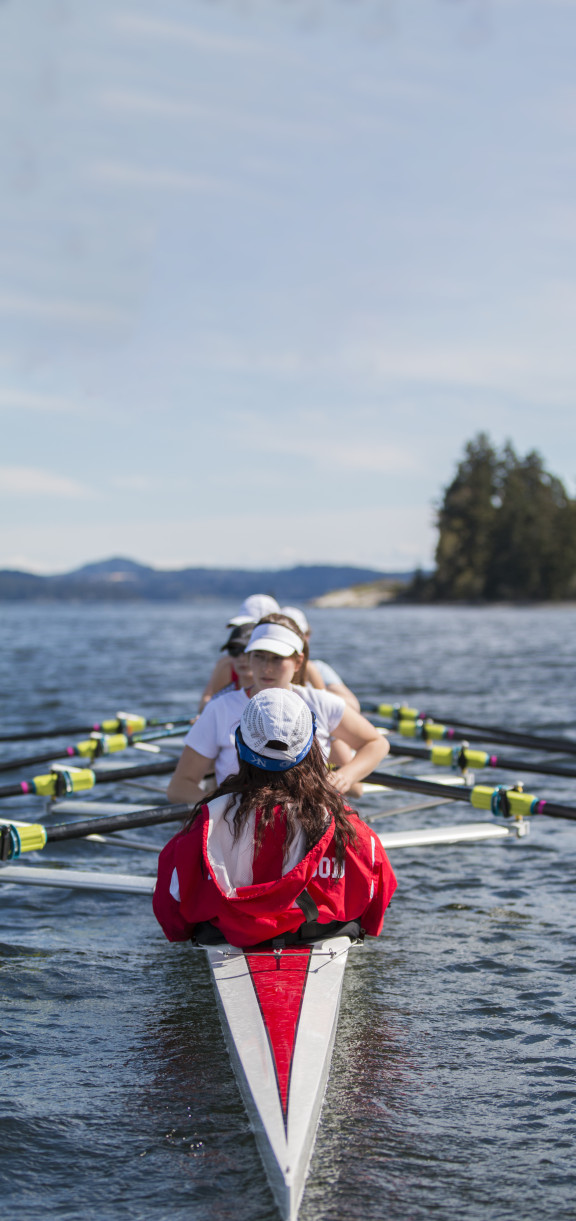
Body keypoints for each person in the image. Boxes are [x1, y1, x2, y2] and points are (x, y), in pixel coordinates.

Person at [153, 687, 397, 947]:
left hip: (230, 939)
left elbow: (171, 914)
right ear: (312, 747)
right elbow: (377, 903)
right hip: (320, 937)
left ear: (239, 743)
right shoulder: (345, 824)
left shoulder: (207, 822)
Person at [167, 616, 389, 806]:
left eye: (277, 658)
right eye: (259, 656)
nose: (266, 668)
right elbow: (179, 787)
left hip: (307, 819)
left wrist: (345, 776)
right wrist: (224, 805)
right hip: (241, 826)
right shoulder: (219, 709)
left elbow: (376, 743)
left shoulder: (321, 702)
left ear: (298, 661)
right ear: (248, 657)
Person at [281, 605, 361, 711]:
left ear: (307, 637)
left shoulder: (318, 668)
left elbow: (353, 707)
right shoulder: (259, 670)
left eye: (298, 635)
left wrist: (315, 682)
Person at [198, 623, 254, 711]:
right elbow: (204, 708)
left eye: (247, 651)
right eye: (234, 651)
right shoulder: (220, 698)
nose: (241, 658)